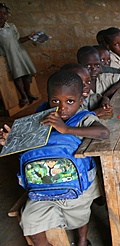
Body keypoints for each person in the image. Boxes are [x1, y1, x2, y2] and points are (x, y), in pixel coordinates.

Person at [0, 70, 110, 246]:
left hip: (76, 186)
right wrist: (11, 141)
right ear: (48, 99)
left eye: (70, 101)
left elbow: (104, 133)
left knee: (81, 216)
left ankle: (82, 240)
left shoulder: (83, 117)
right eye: (55, 101)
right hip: (41, 186)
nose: (62, 107)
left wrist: (66, 129)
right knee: (30, 219)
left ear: (81, 101)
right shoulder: (41, 116)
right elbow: (28, 143)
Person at [0, 3, 38, 106]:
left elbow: (18, 40)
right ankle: (23, 96)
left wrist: (29, 37)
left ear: (7, 15)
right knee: (17, 76)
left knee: (26, 74)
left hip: (19, 53)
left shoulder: (11, 27)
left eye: (4, 13)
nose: (2, 16)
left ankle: (29, 93)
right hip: (7, 56)